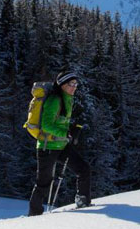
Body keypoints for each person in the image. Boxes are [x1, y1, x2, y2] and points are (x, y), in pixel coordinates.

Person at [28, 71, 92, 216]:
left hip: (61, 145)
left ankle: (83, 201)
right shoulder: (54, 100)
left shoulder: (67, 98)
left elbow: (60, 122)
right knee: (44, 182)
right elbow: (46, 125)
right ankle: (34, 215)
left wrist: (71, 129)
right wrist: (67, 133)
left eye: (76, 84)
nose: (74, 87)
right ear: (62, 85)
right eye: (71, 84)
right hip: (47, 147)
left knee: (83, 169)